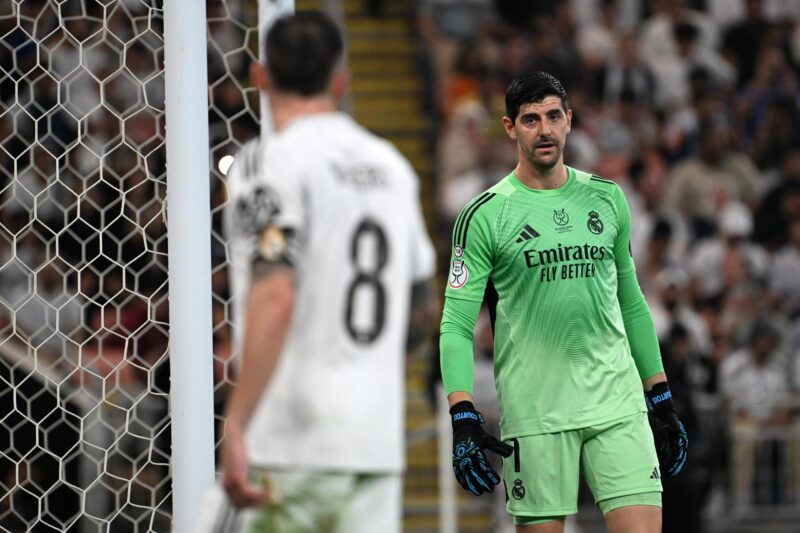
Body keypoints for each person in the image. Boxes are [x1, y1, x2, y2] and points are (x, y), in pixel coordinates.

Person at [439, 71, 688, 532]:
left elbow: (631, 302)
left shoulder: (607, 199)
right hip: (536, 413)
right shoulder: (484, 215)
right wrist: (463, 415)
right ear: (510, 128)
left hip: (617, 403)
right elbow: (455, 323)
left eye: (554, 116)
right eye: (530, 120)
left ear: (569, 120)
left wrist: (661, 397)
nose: (545, 129)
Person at [218, 11, 436, 533]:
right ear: (342, 79)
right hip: (374, 442)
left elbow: (276, 292)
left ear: (260, 76)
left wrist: (238, 420)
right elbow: (421, 309)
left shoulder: (266, 163)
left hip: (294, 439)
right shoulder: (391, 166)